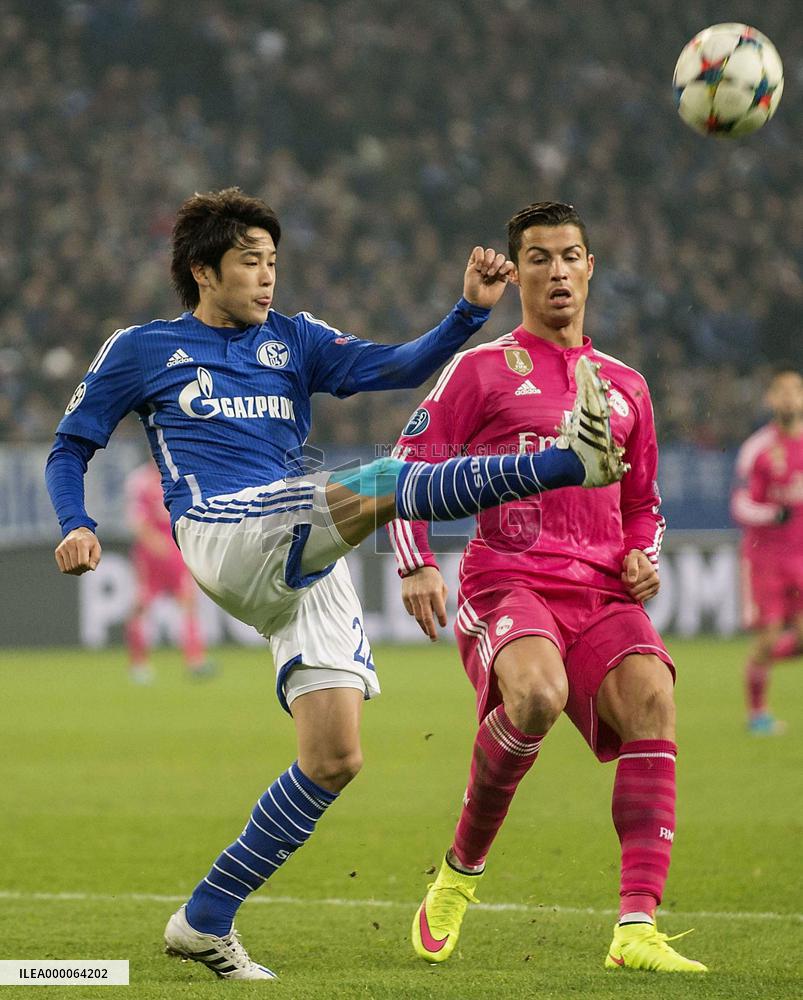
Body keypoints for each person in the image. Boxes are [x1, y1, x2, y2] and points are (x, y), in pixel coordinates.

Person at [45, 187, 625, 981]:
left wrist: (465, 313)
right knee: (385, 480)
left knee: (334, 757)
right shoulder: (142, 348)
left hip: (297, 545)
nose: (267, 277)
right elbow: (70, 444)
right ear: (201, 271)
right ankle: (566, 462)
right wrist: (75, 521)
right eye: (250, 262)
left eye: (273, 262)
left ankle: (204, 919)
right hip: (220, 527)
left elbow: (396, 367)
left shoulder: (295, 338)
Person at [390, 201, 707, 974]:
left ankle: (635, 929)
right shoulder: (482, 368)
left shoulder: (626, 384)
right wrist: (417, 561)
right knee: (535, 695)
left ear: (590, 267)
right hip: (509, 579)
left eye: (570, 256)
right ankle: (460, 874)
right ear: (520, 271)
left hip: (601, 593)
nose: (557, 270)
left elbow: (644, 502)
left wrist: (643, 555)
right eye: (538, 257)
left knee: (654, 702)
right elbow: (403, 466)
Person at [730, 367, 803, 735]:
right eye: (782, 392)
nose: (789, 398)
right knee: (770, 634)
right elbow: (740, 504)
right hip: (767, 559)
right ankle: (758, 714)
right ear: (771, 399)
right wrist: (773, 513)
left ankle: (756, 666)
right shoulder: (757, 449)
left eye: (795, 391)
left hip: (802, 558)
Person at [124, 460, 214, 683]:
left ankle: (147, 665)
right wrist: (157, 543)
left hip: (165, 549)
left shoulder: (144, 479)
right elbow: (138, 521)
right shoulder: (160, 478)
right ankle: (189, 661)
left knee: (170, 603)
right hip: (163, 549)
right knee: (154, 605)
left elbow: (136, 520)